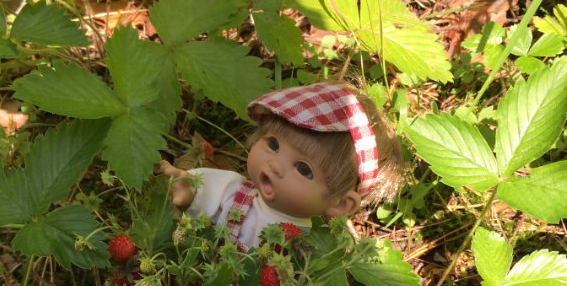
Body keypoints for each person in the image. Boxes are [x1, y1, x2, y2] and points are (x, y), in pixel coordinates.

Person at [160, 81, 403, 249]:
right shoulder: (235, 192)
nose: (275, 165)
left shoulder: (308, 246)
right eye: (273, 144)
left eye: (303, 169)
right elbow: (209, 191)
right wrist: (189, 190)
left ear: (340, 203)